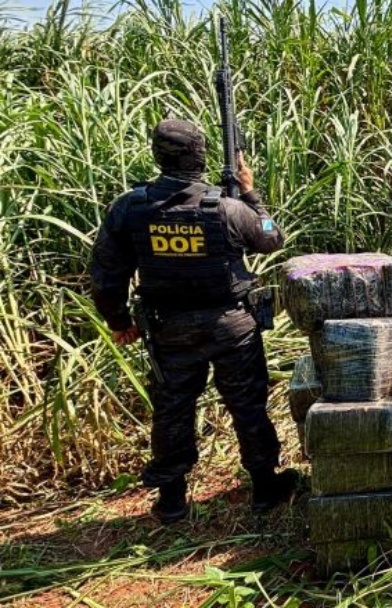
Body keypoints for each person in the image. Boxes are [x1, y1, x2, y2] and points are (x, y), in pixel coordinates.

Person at [90, 118, 297, 523]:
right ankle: (264, 487)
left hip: (169, 330)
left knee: (172, 408)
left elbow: (105, 274)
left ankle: (171, 500)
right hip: (231, 326)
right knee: (248, 406)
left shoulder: (131, 207)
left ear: (158, 156)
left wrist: (117, 321)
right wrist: (251, 193)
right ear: (200, 157)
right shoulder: (228, 208)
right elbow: (273, 237)